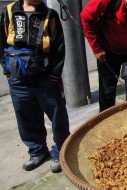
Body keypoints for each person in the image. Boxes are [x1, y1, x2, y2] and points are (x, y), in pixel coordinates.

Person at [0, 0, 70, 173]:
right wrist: (7, 70)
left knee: (57, 116)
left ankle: (60, 152)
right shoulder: (8, 12)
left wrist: (54, 75)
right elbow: (1, 43)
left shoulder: (49, 15)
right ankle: (37, 151)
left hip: (45, 77)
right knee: (25, 115)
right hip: (18, 78)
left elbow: (59, 48)